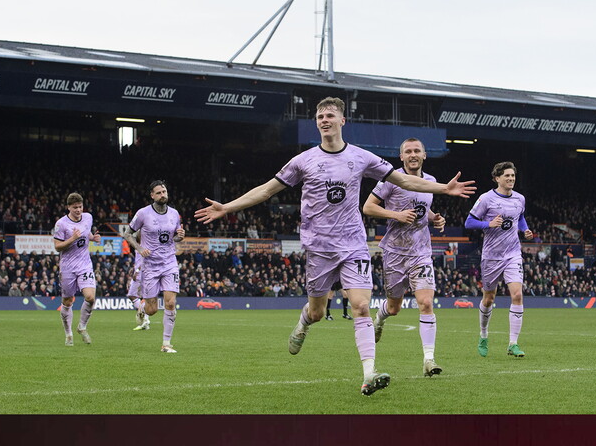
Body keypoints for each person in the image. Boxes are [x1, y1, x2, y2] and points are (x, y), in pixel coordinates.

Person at [195, 96, 477, 395]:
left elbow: (405, 182)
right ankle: (304, 323)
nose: (324, 120)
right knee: (317, 312)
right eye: (320, 117)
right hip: (319, 248)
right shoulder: (303, 161)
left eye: (330, 115)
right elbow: (267, 189)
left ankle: (369, 373)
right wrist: (227, 207)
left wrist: (443, 188)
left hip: (354, 244)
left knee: (360, 306)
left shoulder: (362, 157)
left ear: (342, 121)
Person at [363, 137, 447, 377]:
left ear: (424, 155)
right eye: (408, 151)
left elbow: (423, 208)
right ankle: (379, 319)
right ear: (401, 157)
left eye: (417, 151)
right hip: (395, 253)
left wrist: (434, 218)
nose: (412, 154)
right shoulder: (390, 179)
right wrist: (396, 215)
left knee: (426, 303)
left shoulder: (430, 182)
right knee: (394, 307)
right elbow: (368, 207)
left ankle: (429, 360)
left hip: (421, 252)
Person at [464, 161, 533, 358]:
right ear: (497, 178)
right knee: (489, 298)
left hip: (512, 254)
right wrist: (489, 223)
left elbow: (520, 218)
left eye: (513, 176)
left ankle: (513, 343)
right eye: (507, 176)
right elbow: (469, 222)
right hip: (491, 256)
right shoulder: (486, 198)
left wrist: (524, 229)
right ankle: (483, 335)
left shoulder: (520, 199)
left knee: (517, 295)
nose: (511, 179)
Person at [122, 181, 185, 352]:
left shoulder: (174, 213)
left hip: (169, 263)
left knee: (170, 303)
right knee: (152, 310)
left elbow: (175, 238)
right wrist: (140, 249)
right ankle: (142, 308)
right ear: (152, 195)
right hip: (150, 265)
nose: (162, 195)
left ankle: (166, 344)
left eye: (164, 191)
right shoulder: (143, 213)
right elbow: (127, 234)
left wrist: (181, 236)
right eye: (158, 193)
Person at [54, 192, 102, 346]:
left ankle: (82, 326)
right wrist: (72, 239)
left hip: (84, 264)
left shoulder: (88, 217)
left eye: (80, 207)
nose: (78, 210)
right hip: (67, 267)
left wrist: (92, 238)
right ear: (68, 207)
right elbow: (57, 247)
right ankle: (68, 334)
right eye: (75, 207)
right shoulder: (61, 224)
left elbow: (85, 231)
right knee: (67, 301)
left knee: (90, 297)